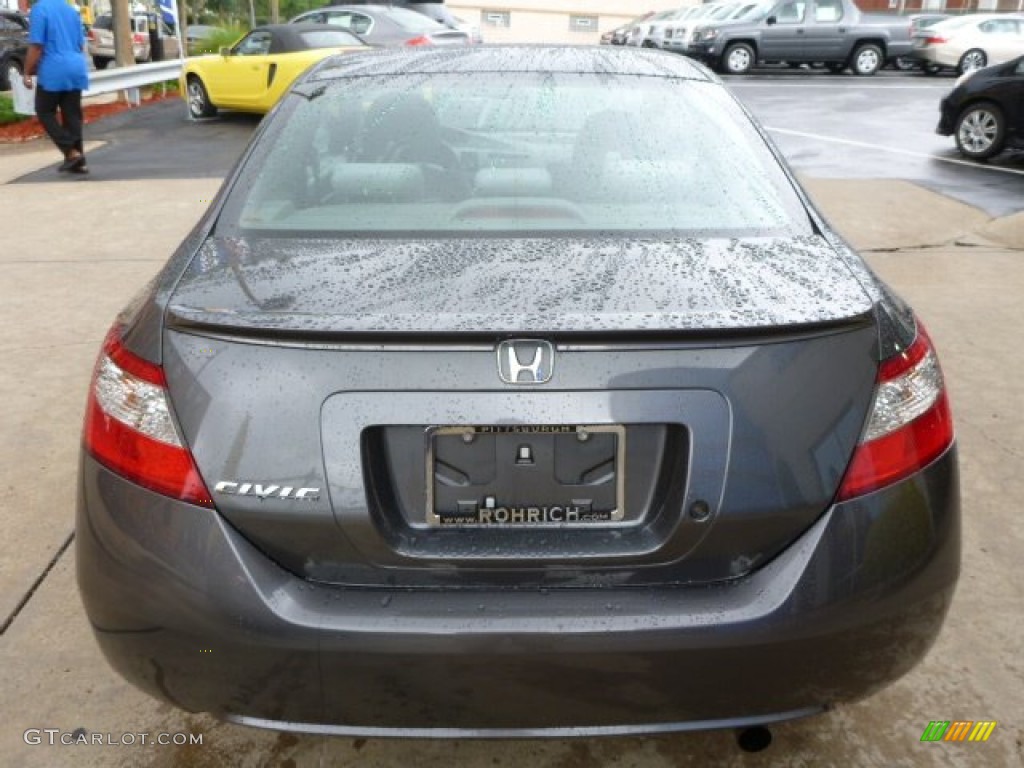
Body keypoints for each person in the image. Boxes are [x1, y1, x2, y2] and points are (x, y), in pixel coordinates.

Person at [23, 0, 91, 174]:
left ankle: (71, 152)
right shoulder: (71, 10)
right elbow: (80, 44)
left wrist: (27, 72)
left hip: (54, 68)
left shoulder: (40, 9)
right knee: (72, 114)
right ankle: (79, 162)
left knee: (44, 111)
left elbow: (37, 46)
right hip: (76, 66)